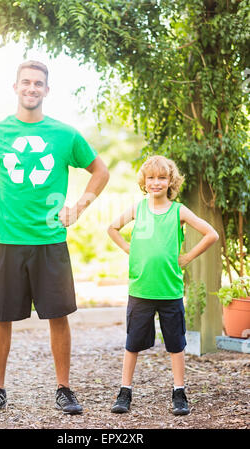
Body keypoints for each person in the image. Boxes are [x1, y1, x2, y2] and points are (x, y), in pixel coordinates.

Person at [0, 60, 109, 416]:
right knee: (1, 317)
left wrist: (79, 206)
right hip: (7, 240)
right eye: (26, 82)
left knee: (58, 315)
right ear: (16, 87)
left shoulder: (65, 135)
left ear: (47, 90)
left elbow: (100, 170)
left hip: (50, 240)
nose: (32, 88)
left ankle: (64, 389)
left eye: (38, 83)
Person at [107, 155, 219, 416]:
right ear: (144, 182)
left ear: (170, 182)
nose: (156, 182)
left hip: (169, 292)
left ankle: (179, 392)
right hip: (140, 291)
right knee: (132, 343)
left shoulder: (178, 210)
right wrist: (128, 248)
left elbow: (211, 234)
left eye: (161, 178)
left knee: (176, 344)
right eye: (151, 178)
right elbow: (112, 228)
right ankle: (125, 391)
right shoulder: (138, 209)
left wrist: (188, 257)